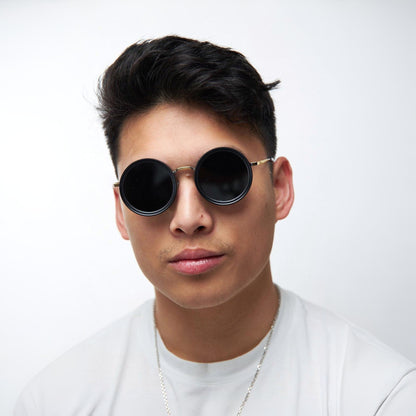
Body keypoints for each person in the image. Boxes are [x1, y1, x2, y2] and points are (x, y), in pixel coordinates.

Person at [15, 35, 416, 415]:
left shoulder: (379, 397)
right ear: (121, 211)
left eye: (223, 176)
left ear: (279, 188)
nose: (189, 219)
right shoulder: (54, 403)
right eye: (150, 187)